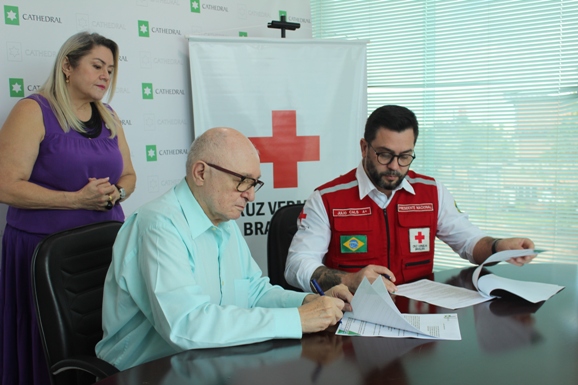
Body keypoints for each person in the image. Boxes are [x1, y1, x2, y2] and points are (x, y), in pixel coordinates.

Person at [95, 127, 352, 371]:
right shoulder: (159, 226)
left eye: (255, 184)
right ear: (201, 173)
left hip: (208, 365)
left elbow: (254, 292)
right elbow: (186, 325)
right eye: (242, 181)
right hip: (145, 372)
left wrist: (309, 302)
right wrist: (297, 319)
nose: (251, 195)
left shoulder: (223, 220)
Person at [0, 32, 136, 385]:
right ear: (67, 66)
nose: (106, 75)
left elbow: (129, 175)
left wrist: (117, 193)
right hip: (43, 252)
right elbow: (5, 185)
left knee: (98, 332)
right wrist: (76, 200)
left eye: (110, 68)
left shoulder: (109, 116)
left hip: (101, 248)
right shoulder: (33, 110)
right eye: (96, 66)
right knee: (46, 340)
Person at [284, 105, 535, 294]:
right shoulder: (327, 199)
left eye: (405, 156)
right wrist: (350, 281)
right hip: (353, 317)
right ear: (364, 148)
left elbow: (469, 242)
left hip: (419, 317)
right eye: (384, 155)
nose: (394, 167)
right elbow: (296, 266)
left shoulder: (431, 191)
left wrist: (497, 246)